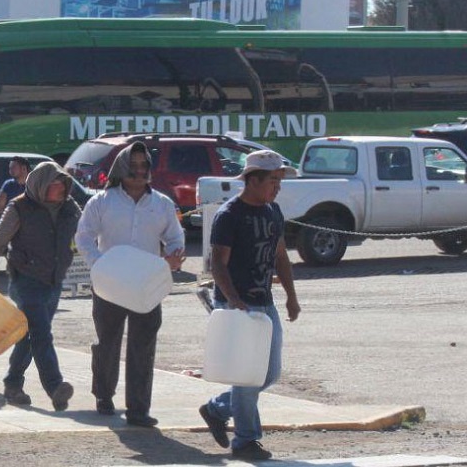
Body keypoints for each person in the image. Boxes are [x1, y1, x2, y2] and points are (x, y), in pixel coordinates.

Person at [199, 149, 301, 461]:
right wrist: (233, 301)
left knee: (268, 374)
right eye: (273, 180)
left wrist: (291, 296)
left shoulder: (273, 212)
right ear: (253, 180)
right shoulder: (230, 215)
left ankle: (216, 408)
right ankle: (245, 440)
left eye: (279, 180)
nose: (277, 187)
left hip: (264, 303)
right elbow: (218, 264)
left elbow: (280, 256)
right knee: (247, 376)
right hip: (238, 305)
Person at [75, 141, 185, 428]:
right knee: (107, 343)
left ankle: (138, 409)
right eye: (133, 166)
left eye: (143, 166)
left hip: (145, 286)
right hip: (109, 286)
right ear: (121, 168)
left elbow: (175, 238)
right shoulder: (102, 201)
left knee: (143, 347)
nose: (139, 172)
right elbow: (84, 237)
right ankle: (103, 394)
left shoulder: (162, 203)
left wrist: (172, 259)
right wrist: (99, 264)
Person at [0, 161, 80, 411]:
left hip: (54, 280)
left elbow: (87, 231)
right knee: (41, 334)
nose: (63, 188)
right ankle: (55, 386)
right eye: (57, 184)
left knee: (29, 337)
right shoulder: (20, 207)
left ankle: (12, 384)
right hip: (26, 281)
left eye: (64, 183)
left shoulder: (69, 207)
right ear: (42, 185)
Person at [0, 156, 30, 234]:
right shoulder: (8, 185)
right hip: (10, 225)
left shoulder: (33, 184)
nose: (11, 170)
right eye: (10, 168)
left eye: (14, 167)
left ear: (24, 168)